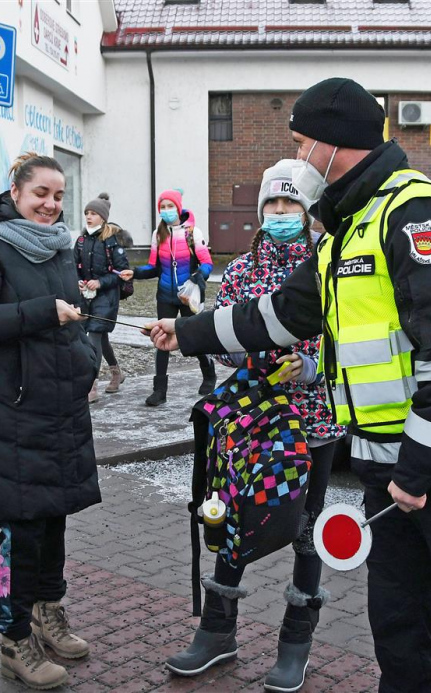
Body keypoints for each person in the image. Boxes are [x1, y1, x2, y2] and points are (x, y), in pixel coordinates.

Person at [148, 78, 431, 693]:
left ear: (333, 143)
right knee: (398, 636)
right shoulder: (348, 231)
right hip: (393, 478)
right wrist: (185, 333)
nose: (299, 160)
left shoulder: (418, 215)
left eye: (301, 144)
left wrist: (417, 473)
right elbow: (281, 314)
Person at [164, 160, 346, 692]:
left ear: (310, 210)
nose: (282, 213)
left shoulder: (330, 264)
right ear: (261, 210)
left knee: (306, 530)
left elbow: (345, 343)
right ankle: (217, 632)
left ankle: (296, 642)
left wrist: (311, 367)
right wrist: (233, 355)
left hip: (314, 423)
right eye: (274, 204)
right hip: (251, 422)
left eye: (292, 204)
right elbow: (224, 335)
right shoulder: (241, 269)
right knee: (232, 519)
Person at [0, 153, 101, 690]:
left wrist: (85, 361)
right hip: (12, 415)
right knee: (22, 529)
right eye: (41, 193)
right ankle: (14, 639)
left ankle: (48, 613)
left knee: (55, 516)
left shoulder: (61, 247)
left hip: (60, 408)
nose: (51, 204)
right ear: (15, 192)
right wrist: (44, 311)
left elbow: (70, 321)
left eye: (59, 196)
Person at [129, 189, 216, 406]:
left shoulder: (192, 232)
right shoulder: (158, 234)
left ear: (178, 207)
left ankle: (209, 374)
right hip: (165, 296)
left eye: (170, 206)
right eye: (162, 207)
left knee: (194, 338)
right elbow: (152, 266)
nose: (166, 211)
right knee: (161, 341)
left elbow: (207, 263)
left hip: (188, 297)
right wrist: (135, 273)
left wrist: (199, 276)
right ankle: (159, 391)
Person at [77, 192, 131, 401]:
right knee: (100, 337)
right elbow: (74, 265)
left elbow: (122, 272)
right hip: (86, 297)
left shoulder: (112, 241)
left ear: (103, 217)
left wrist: (101, 282)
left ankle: (92, 385)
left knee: (94, 337)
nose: (89, 217)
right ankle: (117, 373)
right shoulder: (81, 240)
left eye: (93, 213)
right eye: (86, 213)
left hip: (107, 298)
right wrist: (78, 280)